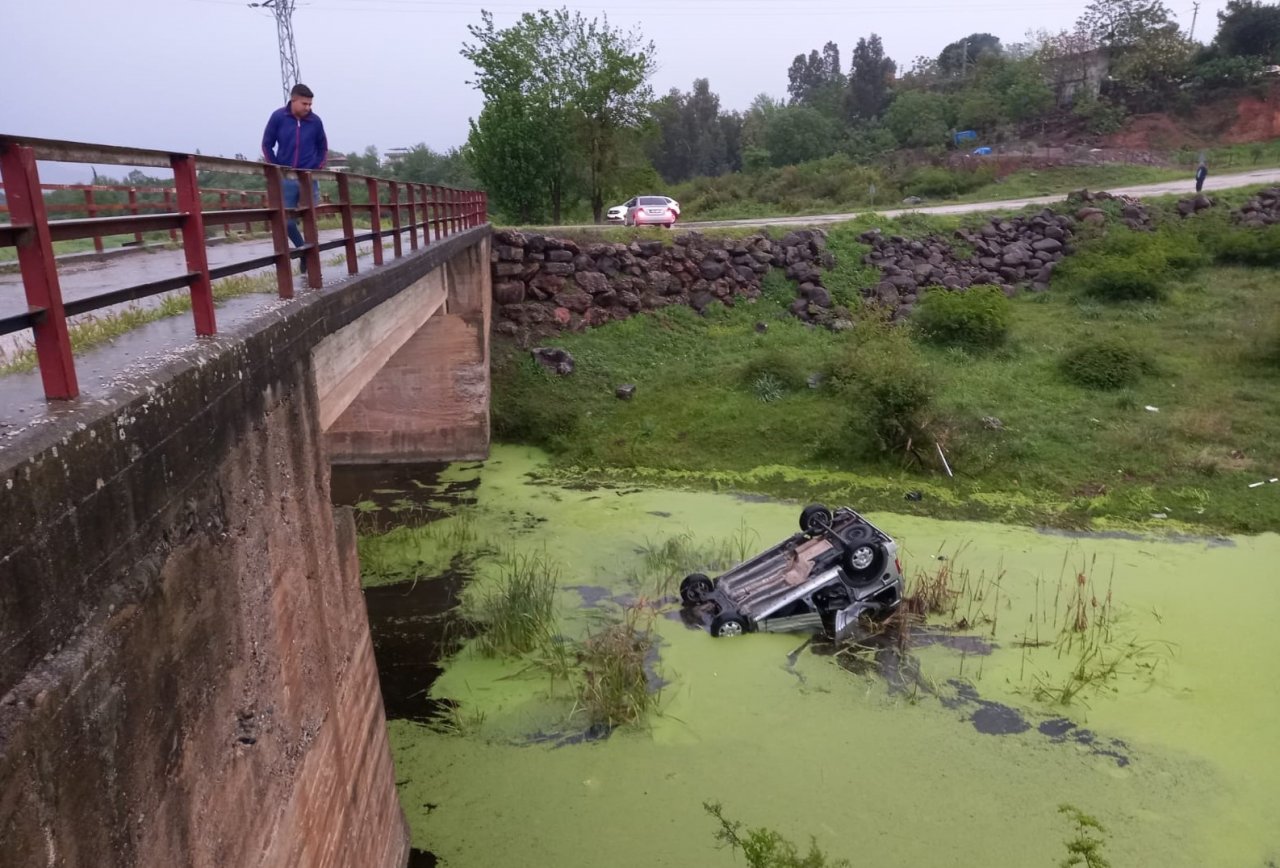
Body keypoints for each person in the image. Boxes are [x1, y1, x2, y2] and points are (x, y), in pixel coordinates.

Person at [262, 84, 328, 273]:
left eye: (310, 104)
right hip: (286, 178)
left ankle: (312, 262)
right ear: (293, 100)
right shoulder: (278, 117)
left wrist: (317, 166)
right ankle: (303, 249)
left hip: (308, 177)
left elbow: (322, 146)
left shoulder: (315, 121)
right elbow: (267, 144)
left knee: (310, 219)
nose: (308, 107)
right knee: (286, 220)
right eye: (304, 103)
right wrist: (276, 167)